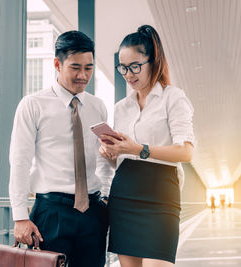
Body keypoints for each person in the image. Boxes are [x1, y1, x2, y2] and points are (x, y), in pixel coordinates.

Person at [9, 30, 111, 267]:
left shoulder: (98, 107)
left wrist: (104, 195)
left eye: (89, 67)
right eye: (75, 67)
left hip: (93, 212)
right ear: (57, 63)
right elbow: (20, 161)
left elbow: (105, 157)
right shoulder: (33, 105)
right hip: (51, 213)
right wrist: (20, 217)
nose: (83, 75)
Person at [98, 25, 195, 267]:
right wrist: (111, 152)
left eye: (135, 66)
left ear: (153, 61)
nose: (129, 74)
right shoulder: (121, 107)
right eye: (123, 68)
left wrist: (137, 149)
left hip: (161, 194)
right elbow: (120, 158)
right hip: (124, 195)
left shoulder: (174, 98)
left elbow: (186, 152)